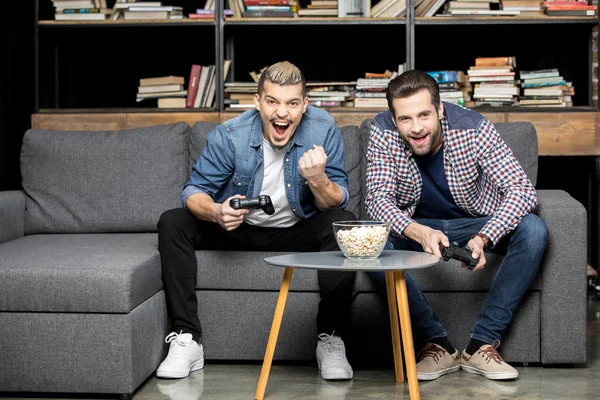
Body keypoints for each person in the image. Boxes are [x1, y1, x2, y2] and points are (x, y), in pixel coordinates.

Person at [156, 61, 356, 380]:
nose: (282, 113)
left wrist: (317, 179)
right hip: (238, 229)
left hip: (297, 230)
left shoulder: (323, 129)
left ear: (305, 105)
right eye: (273, 101)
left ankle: (331, 339)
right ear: (258, 101)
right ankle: (187, 338)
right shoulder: (231, 136)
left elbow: (339, 197)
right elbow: (193, 191)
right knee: (173, 221)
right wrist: (217, 212)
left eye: (292, 103)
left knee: (344, 222)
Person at [363, 70, 549, 381]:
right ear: (395, 120)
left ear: (439, 110)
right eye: (405, 119)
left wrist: (484, 237)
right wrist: (419, 232)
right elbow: (378, 201)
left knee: (534, 228)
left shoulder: (473, 128)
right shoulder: (382, 131)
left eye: (424, 115)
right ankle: (435, 344)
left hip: (474, 223)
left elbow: (521, 190)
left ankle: (482, 345)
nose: (417, 127)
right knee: (370, 241)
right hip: (417, 226)